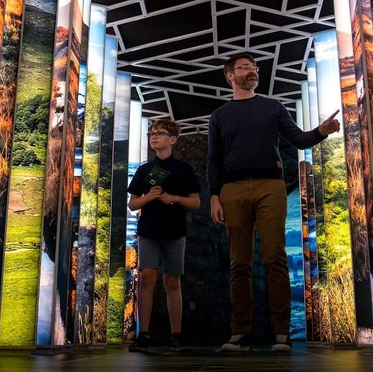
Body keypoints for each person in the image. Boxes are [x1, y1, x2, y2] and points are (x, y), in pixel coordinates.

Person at [207, 52, 340, 353]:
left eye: (254, 67)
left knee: (275, 258)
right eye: (244, 67)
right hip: (232, 189)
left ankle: (282, 334)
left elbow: (299, 139)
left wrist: (322, 131)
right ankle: (239, 333)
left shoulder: (273, 107)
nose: (251, 71)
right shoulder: (219, 116)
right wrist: (214, 196)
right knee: (238, 263)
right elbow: (214, 159)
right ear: (230, 75)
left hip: (271, 186)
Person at [126, 119, 201, 353]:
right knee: (147, 277)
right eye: (152, 133)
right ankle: (143, 334)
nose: (154, 137)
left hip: (175, 231)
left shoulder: (183, 169)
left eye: (160, 133)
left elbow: (196, 202)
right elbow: (132, 203)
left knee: (172, 281)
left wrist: (175, 198)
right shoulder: (143, 170)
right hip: (148, 231)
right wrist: (148, 198)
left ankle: (176, 335)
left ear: (173, 139)